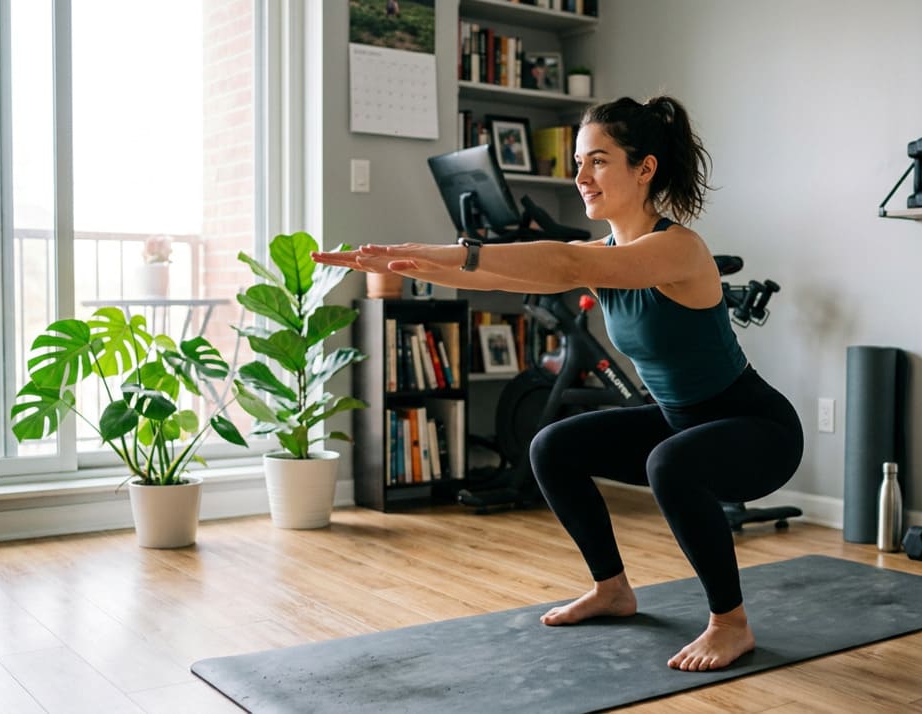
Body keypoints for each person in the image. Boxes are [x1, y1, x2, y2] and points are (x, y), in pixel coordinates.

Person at [312, 95, 804, 672]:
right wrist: (406, 262)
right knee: (554, 445)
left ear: (644, 168)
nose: (580, 176)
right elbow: (504, 272)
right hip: (680, 422)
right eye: (578, 161)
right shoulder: (607, 251)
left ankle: (730, 623)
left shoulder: (678, 248)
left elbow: (567, 267)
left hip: (758, 430)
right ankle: (612, 589)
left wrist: (448, 253)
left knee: (669, 464)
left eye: (598, 160)